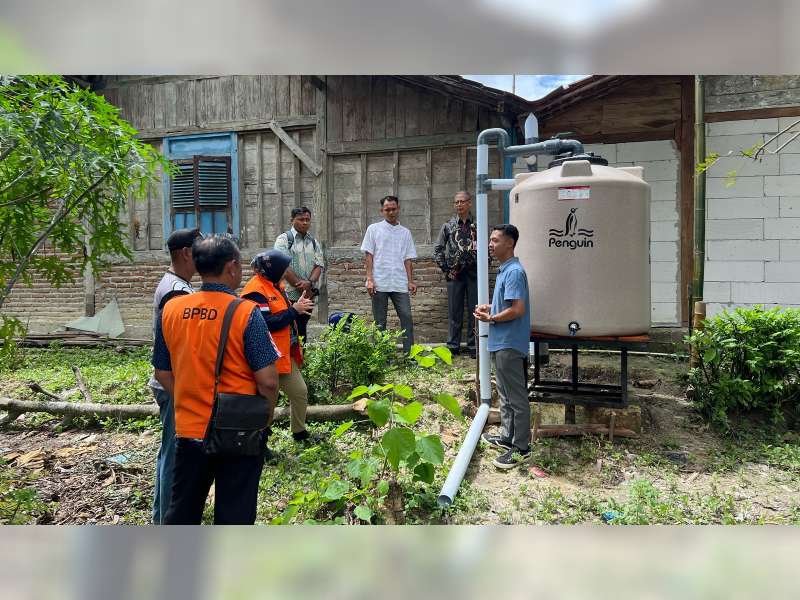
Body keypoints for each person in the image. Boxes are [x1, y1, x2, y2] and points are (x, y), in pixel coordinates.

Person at [152, 235, 280, 524]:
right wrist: (265, 418)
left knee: (183, 510)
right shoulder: (246, 312)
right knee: (234, 512)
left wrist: (188, 399)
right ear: (232, 267)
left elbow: (162, 371)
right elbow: (269, 381)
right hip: (239, 431)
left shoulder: (171, 310)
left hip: (189, 430)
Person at [148, 227, 202, 525]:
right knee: (173, 456)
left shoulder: (175, 284)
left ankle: (162, 515)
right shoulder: (176, 291)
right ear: (186, 253)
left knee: (169, 452)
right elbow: (177, 345)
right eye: (200, 251)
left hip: (170, 382)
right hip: (174, 383)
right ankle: (167, 519)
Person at [242, 249, 320, 444]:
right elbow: (264, 323)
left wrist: (299, 308)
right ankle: (260, 441)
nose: (287, 272)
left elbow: (284, 314)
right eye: (284, 268)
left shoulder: (275, 285)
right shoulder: (255, 291)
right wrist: (294, 311)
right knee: (267, 400)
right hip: (266, 357)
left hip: (284, 353)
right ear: (273, 269)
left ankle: (299, 433)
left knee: (299, 392)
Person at [474, 224, 533, 470]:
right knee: (506, 395)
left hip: (510, 342)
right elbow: (507, 305)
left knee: (516, 397)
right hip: (501, 342)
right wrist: (491, 308)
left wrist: (492, 318)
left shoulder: (514, 272)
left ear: (509, 243)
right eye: (490, 240)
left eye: (495, 240)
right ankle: (507, 437)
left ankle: (521, 448)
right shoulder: (504, 271)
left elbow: (518, 309)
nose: (490, 244)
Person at [360, 195, 417, 354]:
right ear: (382, 211)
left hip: (399, 283)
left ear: (398, 209)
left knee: (406, 317)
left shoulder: (405, 232)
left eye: (393, 209)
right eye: (387, 209)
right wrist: (369, 279)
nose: (391, 212)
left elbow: (408, 259)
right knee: (380, 322)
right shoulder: (374, 229)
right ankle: (381, 357)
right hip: (379, 282)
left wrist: (410, 281)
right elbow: (368, 256)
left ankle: (409, 355)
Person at [434, 190, 478, 358]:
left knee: (475, 311)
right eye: (456, 202)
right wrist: (446, 269)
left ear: (469, 203)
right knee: (454, 311)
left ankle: (474, 346)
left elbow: (488, 248)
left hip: (474, 274)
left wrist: (485, 264)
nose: (459, 205)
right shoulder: (448, 225)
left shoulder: (478, 224)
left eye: (462, 201)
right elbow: (438, 249)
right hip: (455, 275)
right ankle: (453, 345)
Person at [274, 206, 325, 342]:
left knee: (302, 329)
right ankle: (292, 361)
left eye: (307, 219)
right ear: (292, 220)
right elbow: (283, 266)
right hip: (289, 295)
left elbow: (319, 265)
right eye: (301, 219)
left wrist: (309, 283)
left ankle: (302, 360)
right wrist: (300, 286)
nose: (305, 222)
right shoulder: (284, 240)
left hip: (308, 295)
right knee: (290, 331)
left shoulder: (313, 242)